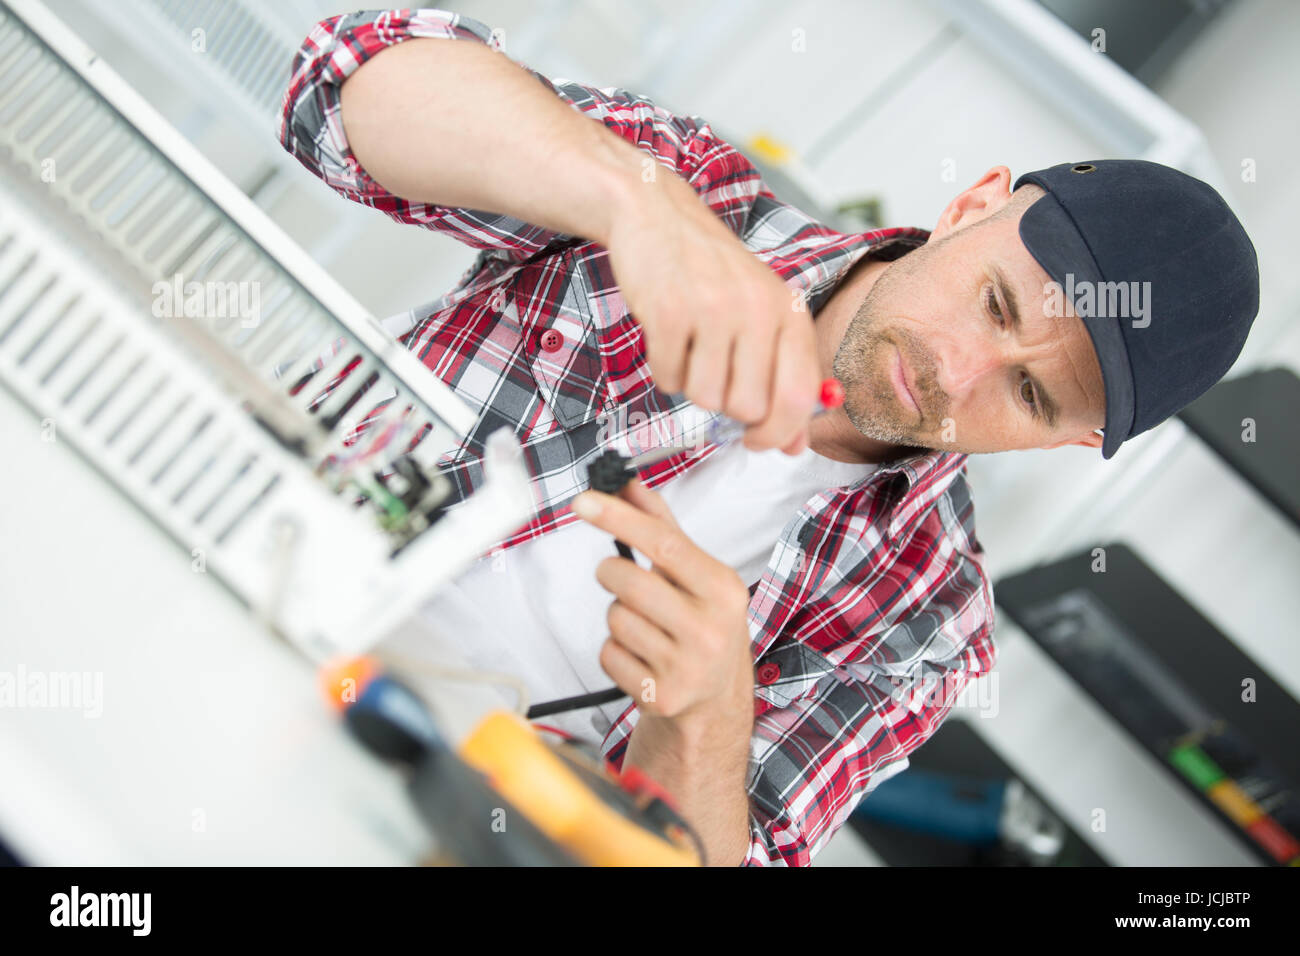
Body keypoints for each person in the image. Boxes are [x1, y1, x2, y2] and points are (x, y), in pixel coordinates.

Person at [278, 8, 1259, 866]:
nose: (959, 372)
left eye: (1033, 396)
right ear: (967, 206)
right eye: (995, 302)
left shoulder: (927, 619)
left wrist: (702, 720)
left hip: (416, 811)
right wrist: (633, 203)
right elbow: (336, 83)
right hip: (239, 531)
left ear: (1066, 443)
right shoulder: (696, 192)